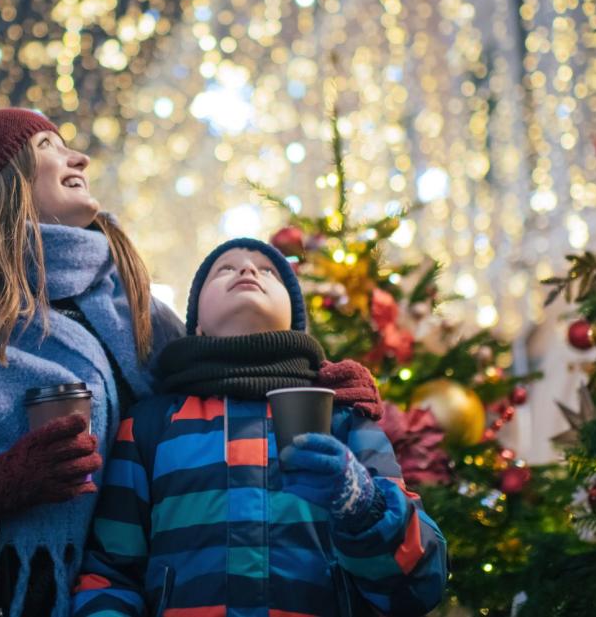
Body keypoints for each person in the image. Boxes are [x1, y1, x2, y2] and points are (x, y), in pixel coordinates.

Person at [0, 109, 383, 617]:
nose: (78, 156)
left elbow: (219, 387)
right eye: (49, 148)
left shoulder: (136, 312)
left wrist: (317, 382)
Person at [73, 239, 448, 617]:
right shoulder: (149, 425)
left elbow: (419, 585)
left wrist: (362, 505)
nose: (248, 270)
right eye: (225, 269)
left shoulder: (344, 419)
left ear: (294, 320)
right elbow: (112, 573)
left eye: (268, 270)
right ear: (197, 324)